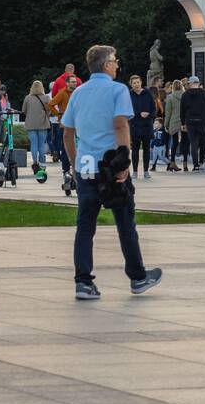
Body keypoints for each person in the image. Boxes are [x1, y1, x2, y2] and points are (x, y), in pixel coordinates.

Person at [61, 45, 162, 300]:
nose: (117, 65)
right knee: (125, 223)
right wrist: (124, 162)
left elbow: (67, 133)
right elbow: (120, 124)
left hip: (85, 166)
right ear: (106, 64)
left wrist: (74, 164)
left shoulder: (78, 92)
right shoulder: (118, 90)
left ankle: (83, 282)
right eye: (115, 61)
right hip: (110, 167)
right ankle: (138, 277)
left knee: (85, 225)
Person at [127, 75, 158, 181]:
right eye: (134, 83)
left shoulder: (147, 93)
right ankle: (135, 171)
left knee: (146, 148)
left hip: (146, 124)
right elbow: (127, 110)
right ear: (131, 84)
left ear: (141, 82)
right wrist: (138, 114)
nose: (136, 84)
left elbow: (154, 109)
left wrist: (149, 115)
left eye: (138, 82)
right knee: (135, 149)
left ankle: (146, 171)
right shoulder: (129, 95)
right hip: (135, 124)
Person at [47, 75, 79, 176]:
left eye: (75, 82)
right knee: (66, 148)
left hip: (77, 123)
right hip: (65, 124)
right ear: (67, 83)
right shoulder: (62, 93)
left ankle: (76, 168)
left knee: (78, 146)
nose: (75, 83)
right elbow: (51, 104)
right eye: (73, 82)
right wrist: (58, 114)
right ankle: (66, 170)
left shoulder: (77, 92)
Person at [21, 80, 51, 168]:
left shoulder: (27, 98)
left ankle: (35, 162)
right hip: (42, 123)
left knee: (33, 144)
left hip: (30, 124)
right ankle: (42, 162)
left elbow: (24, 110)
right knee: (41, 144)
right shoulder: (46, 98)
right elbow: (49, 110)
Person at [164, 80, 184, 171]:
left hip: (174, 122)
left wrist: (166, 124)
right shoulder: (185, 96)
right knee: (185, 141)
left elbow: (168, 113)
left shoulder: (170, 97)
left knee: (174, 143)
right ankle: (186, 163)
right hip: (184, 122)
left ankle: (172, 162)